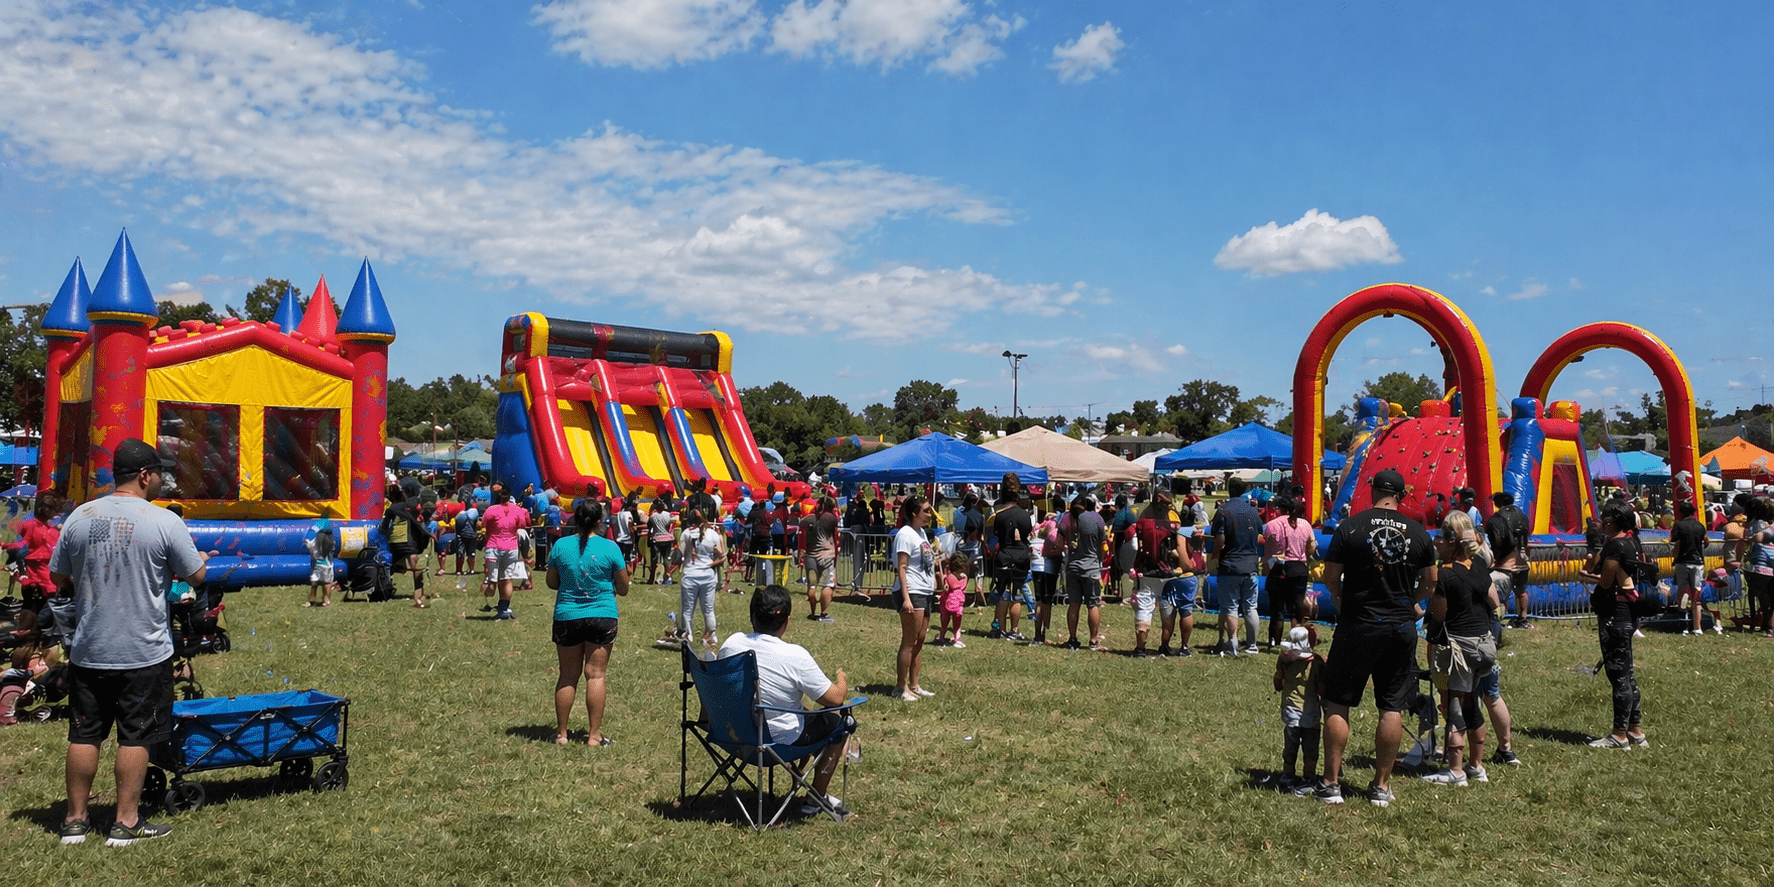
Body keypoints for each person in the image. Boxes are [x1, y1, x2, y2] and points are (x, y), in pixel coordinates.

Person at [49, 438, 208, 845]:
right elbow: (196, 577)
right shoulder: (164, 521)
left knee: (84, 733)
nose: (161, 483)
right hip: (143, 650)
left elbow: (58, 577)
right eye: (159, 475)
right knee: (135, 735)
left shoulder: (79, 517)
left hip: (89, 648)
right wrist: (199, 562)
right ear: (144, 476)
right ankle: (126, 822)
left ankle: (74, 820)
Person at [1315, 468, 1436, 807]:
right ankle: (1381, 786)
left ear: (1372, 492)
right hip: (1400, 628)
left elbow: (1330, 577)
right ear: (1400, 495)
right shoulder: (1418, 533)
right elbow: (1430, 583)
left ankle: (1331, 783)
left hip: (1358, 624)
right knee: (1391, 705)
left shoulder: (1351, 526)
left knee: (1338, 701)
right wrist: (1413, 601)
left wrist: (1341, 600)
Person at [717, 585, 856, 816]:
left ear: (752, 616)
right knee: (840, 724)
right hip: (776, 743)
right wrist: (842, 679)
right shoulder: (794, 655)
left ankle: (803, 769)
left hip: (732, 736)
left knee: (803, 709)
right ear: (787, 621)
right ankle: (816, 796)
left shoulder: (732, 643)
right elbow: (836, 699)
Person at [1422, 511, 1499, 787]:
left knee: (1455, 705)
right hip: (1484, 644)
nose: (1436, 540)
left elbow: (1439, 616)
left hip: (1459, 646)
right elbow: (1494, 601)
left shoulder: (1446, 573)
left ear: (1452, 541)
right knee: (1474, 704)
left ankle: (1455, 771)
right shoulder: (1479, 564)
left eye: (1441, 536)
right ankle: (1476, 766)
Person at [547, 498, 629, 746]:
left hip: (567, 615)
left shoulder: (561, 546)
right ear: (599, 521)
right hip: (602, 615)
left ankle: (561, 734)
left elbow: (551, 582)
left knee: (567, 675)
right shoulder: (611, 548)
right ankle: (594, 736)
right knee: (595, 675)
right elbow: (624, 588)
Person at [1580, 503, 1649, 749]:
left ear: (1612, 521)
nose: (1601, 522)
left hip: (1614, 613)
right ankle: (1635, 730)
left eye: (1605, 519)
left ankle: (1619, 735)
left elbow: (1607, 581)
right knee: (1628, 673)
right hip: (1628, 612)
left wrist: (1587, 577)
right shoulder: (1631, 542)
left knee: (1618, 673)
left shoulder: (1615, 546)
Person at [1210, 478, 1263, 657]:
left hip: (1230, 565)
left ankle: (1233, 643)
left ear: (1228, 489)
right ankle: (1253, 645)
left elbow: (1220, 539)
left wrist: (1215, 555)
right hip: (1251, 566)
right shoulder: (1253, 511)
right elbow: (1258, 536)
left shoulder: (1223, 510)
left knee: (1230, 607)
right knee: (1251, 607)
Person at [892, 496, 936, 701]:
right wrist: (906, 597)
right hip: (912, 591)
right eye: (926, 511)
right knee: (909, 641)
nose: (929, 514)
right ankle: (900, 688)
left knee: (921, 639)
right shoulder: (905, 534)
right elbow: (902, 567)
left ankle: (914, 685)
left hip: (925, 591)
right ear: (913, 513)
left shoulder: (921, 533)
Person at [1261, 494, 1318, 650]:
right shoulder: (1305, 524)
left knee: (1277, 609)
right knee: (1296, 610)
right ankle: (1296, 642)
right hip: (1299, 568)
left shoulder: (1272, 525)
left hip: (1280, 567)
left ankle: (1274, 641)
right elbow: (1312, 547)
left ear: (1280, 509)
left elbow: (1267, 545)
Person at [1272, 626, 1322, 794]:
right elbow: (1321, 689)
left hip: (1291, 712)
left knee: (1290, 747)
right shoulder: (1316, 663)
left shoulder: (1284, 660)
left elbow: (1277, 683)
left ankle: (1287, 774)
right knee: (1310, 749)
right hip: (1311, 714)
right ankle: (1309, 777)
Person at [1129, 491, 1179, 657]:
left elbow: (1136, 544)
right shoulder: (1172, 519)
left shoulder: (1143, 519)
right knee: (1168, 610)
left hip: (1147, 570)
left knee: (1144, 608)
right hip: (1168, 571)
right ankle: (1164, 646)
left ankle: (1141, 648)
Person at [3, 494, 61, 637]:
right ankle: (29, 628)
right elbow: (24, 543)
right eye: (53, 509)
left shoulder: (52, 528)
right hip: (36, 566)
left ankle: (43, 628)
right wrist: (6, 545)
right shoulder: (32, 525)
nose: (56, 513)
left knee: (52, 595)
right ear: (46, 509)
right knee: (40, 596)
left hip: (50, 565)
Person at [1060, 494, 1109, 651]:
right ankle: (1093, 641)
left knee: (1074, 604)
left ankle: (1072, 638)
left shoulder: (1068, 518)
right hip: (1091, 568)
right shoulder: (1097, 519)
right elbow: (1104, 543)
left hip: (1073, 567)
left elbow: (1059, 538)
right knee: (1093, 604)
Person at [986, 482, 1033, 643]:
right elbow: (1027, 534)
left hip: (1005, 554)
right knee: (1016, 594)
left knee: (1003, 593)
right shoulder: (1025, 515)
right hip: (1021, 555)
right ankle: (1014, 629)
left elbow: (997, 535)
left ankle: (1001, 629)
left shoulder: (999, 515)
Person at [676, 508, 727, 648]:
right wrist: (711, 562)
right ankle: (712, 636)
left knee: (687, 609)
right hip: (708, 576)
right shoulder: (713, 535)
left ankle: (688, 635)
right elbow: (722, 555)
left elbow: (679, 554)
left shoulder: (686, 533)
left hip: (690, 575)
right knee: (708, 609)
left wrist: (671, 570)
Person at [1484, 491, 1534, 628]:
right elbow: (1526, 539)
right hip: (1522, 561)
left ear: (1499, 503)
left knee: (1499, 591)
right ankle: (1522, 618)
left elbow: (1497, 541)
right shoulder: (1523, 516)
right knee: (1521, 591)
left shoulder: (1497, 519)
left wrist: (1496, 559)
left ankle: (1498, 619)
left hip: (1505, 564)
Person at [481, 488, 528, 620]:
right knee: (507, 580)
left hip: (493, 547)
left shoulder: (491, 510)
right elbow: (522, 525)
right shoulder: (517, 510)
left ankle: (490, 591)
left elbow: (483, 524)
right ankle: (503, 608)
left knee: (492, 580)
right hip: (511, 548)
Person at [380, 486, 430, 607]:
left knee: (389, 568)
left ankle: (386, 592)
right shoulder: (407, 507)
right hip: (408, 542)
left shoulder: (390, 509)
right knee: (416, 569)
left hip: (394, 543)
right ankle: (418, 596)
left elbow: (384, 528)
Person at [1158, 533, 1206, 657]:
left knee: (1169, 614)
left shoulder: (1180, 533)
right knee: (1186, 610)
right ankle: (1184, 646)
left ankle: (1164, 646)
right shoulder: (1196, 533)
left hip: (1174, 575)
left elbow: (1184, 561)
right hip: (1190, 578)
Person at [1668, 499, 1710, 636]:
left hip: (1683, 562)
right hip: (1698, 562)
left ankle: (1683, 626)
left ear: (1681, 513)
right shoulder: (1700, 526)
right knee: (1696, 595)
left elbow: (1674, 541)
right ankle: (1697, 627)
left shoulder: (1679, 525)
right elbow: (1706, 541)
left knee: (1683, 594)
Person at [804, 497, 840, 621]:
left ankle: (813, 612)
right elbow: (835, 538)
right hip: (826, 556)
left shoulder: (808, 519)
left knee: (812, 585)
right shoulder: (831, 518)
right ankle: (823, 613)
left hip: (810, 556)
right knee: (828, 584)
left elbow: (802, 538)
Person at [933, 551, 970, 647]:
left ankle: (957, 638)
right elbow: (956, 586)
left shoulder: (954, 577)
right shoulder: (950, 577)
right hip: (948, 604)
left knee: (957, 623)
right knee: (944, 622)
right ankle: (941, 636)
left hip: (958, 605)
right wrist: (964, 580)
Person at [305, 519, 337, 608]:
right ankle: (326, 600)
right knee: (327, 583)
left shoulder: (316, 542)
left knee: (314, 583)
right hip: (327, 565)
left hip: (318, 565)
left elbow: (308, 544)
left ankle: (312, 599)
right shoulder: (331, 542)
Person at [646, 499, 675, 585]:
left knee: (655, 561)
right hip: (667, 538)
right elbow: (672, 522)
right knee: (666, 559)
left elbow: (649, 526)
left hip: (657, 539)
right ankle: (667, 577)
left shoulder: (653, 516)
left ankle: (653, 578)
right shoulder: (668, 515)